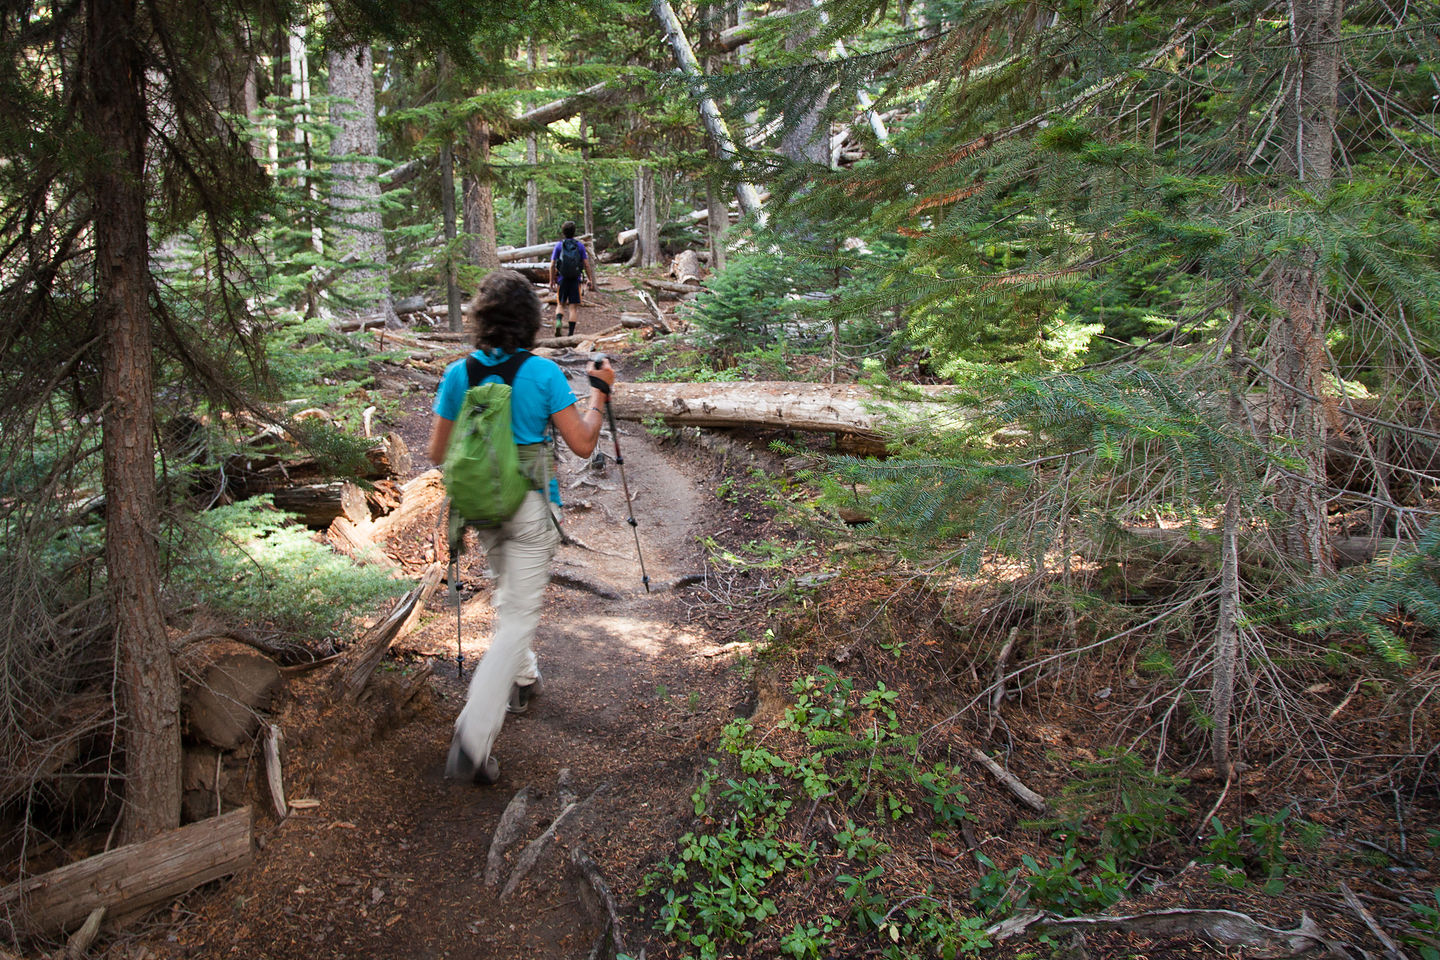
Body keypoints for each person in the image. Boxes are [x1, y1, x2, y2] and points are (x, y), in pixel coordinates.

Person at [427, 269, 615, 784]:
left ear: (480, 319)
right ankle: (472, 734)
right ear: (531, 321)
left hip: (483, 510)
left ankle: (525, 680)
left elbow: (436, 452)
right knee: (517, 619)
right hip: (532, 507)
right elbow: (581, 444)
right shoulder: (543, 373)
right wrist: (599, 395)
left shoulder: (458, 374)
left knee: (510, 602)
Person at [547, 220, 597, 338]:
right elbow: (586, 264)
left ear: (563, 232)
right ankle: (570, 334)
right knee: (573, 307)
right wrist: (589, 278)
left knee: (560, 304)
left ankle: (559, 322)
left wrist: (551, 280)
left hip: (562, 279)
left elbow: (552, 264)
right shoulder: (579, 245)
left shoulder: (559, 245)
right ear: (574, 232)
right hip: (575, 279)